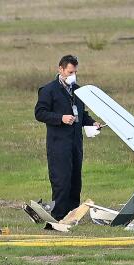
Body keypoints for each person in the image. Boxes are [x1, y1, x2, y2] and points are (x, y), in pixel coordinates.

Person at [35, 54, 101, 221]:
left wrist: (92, 123)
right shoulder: (48, 90)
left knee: (75, 180)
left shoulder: (78, 91)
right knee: (61, 180)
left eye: (75, 72)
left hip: (75, 144)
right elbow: (40, 113)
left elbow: (82, 114)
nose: (72, 76)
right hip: (58, 144)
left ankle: (73, 215)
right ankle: (58, 216)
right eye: (70, 72)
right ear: (61, 69)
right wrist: (60, 118)